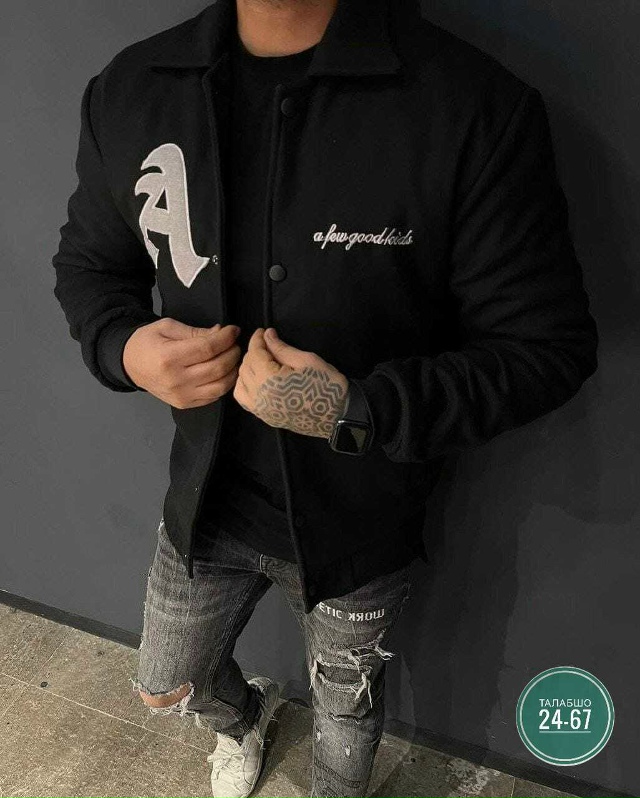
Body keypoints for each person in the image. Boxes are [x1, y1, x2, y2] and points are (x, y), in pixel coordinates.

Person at [51, 0, 599, 796]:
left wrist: (355, 409)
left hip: (360, 528)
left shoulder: (471, 105)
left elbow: (546, 348)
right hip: (205, 507)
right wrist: (125, 348)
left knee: (346, 735)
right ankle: (246, 719)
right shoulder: (132, 87)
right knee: (166, 684)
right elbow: (89, 268)